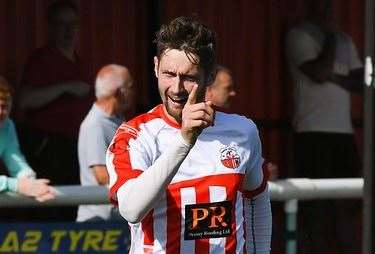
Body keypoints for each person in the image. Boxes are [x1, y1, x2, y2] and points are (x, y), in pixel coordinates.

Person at [106, 16, 272, 253]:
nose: (176, 88)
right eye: (169, 74)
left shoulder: (242, 131)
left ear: (210, 76)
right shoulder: (134, 135)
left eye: (189, 78)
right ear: (155, 67)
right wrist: (184, 141)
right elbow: (132, 210)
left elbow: (256, 199)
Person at [285, 0, 363, 253]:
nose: (327, 11)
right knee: (315, 204)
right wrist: (329, 37)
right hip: (312, 131)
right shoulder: (299, 35)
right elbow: (319, 72)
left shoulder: (345, 40)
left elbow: (359, 82)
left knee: (348, 204)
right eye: (322, 6)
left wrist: (333, 76)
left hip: (343, 132)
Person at [17, 0, 91, 220]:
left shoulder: (81, 63)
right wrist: (66, 87)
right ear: (50, 27)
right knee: (50, 209)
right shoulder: (42, 59)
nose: (68, 30)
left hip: (77, 150)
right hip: (49, 149)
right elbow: (25, 100)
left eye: (72, 24)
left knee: (73, 208)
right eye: (62, 24)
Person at [76, 64, 134, 222]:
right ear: (119, 92)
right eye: (130, 87)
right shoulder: (95, 124)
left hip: (114, 216)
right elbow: (102, 175)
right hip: (98, 221)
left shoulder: (117, 119)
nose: (133, 92)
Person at [206, 65, 279, 180]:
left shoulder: (238, 126)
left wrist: (264, 170)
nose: (233, 93)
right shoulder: (190, 127)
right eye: (228, 88)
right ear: (209, 90)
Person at [0, 77, 54, 202]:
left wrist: (32, 183)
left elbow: (17, 163)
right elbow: (17, 185)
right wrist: (16, 185)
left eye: (4, 106)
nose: (1, 112)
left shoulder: (7, 126)